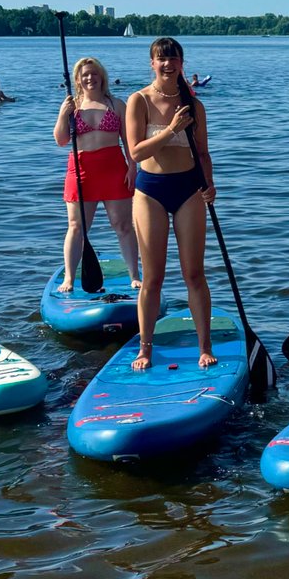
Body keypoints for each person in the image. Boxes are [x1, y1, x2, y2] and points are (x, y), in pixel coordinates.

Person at [125, 36, 217, 372]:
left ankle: (204, 346)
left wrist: (210, 184)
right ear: (152, 63)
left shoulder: (194, 105)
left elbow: (203, 152)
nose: (168, 64)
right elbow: (136, 152)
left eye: (174, 59)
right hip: (150, 190)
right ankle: (145, 348)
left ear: (182, 63)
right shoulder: (139, 100)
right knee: (153, 277)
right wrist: (172, 129)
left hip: (189, 189)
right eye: (161, 59)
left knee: (194, 273)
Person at [54, 56, 139, 293]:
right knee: (76, 226)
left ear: (102, 77)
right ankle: (69, 278)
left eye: (94, 74)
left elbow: (129, 141)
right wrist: (63, 114)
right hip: (81, 170)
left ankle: (134, 275)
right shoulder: (73, 106)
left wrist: (133, 167)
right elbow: (61, 140)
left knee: (123, 225)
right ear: (78, 80)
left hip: (114, 168)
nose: (90, 78)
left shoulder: (117, 104)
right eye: (85, 75)